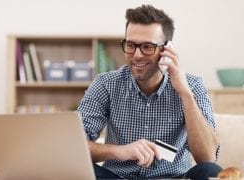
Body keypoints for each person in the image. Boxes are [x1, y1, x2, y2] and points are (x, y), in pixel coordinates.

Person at [77, 4, 222, 179]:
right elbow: (75, 147)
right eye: (130, 45)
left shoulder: (192, 85)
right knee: (78, 170)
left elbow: (207, 158)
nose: (137, 55)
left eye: (147, 46)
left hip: (173, 177)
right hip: (118, 177)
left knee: (210, 172)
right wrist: (120, 151)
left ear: (167, 48)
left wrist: (185, 93)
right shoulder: (105, 84)